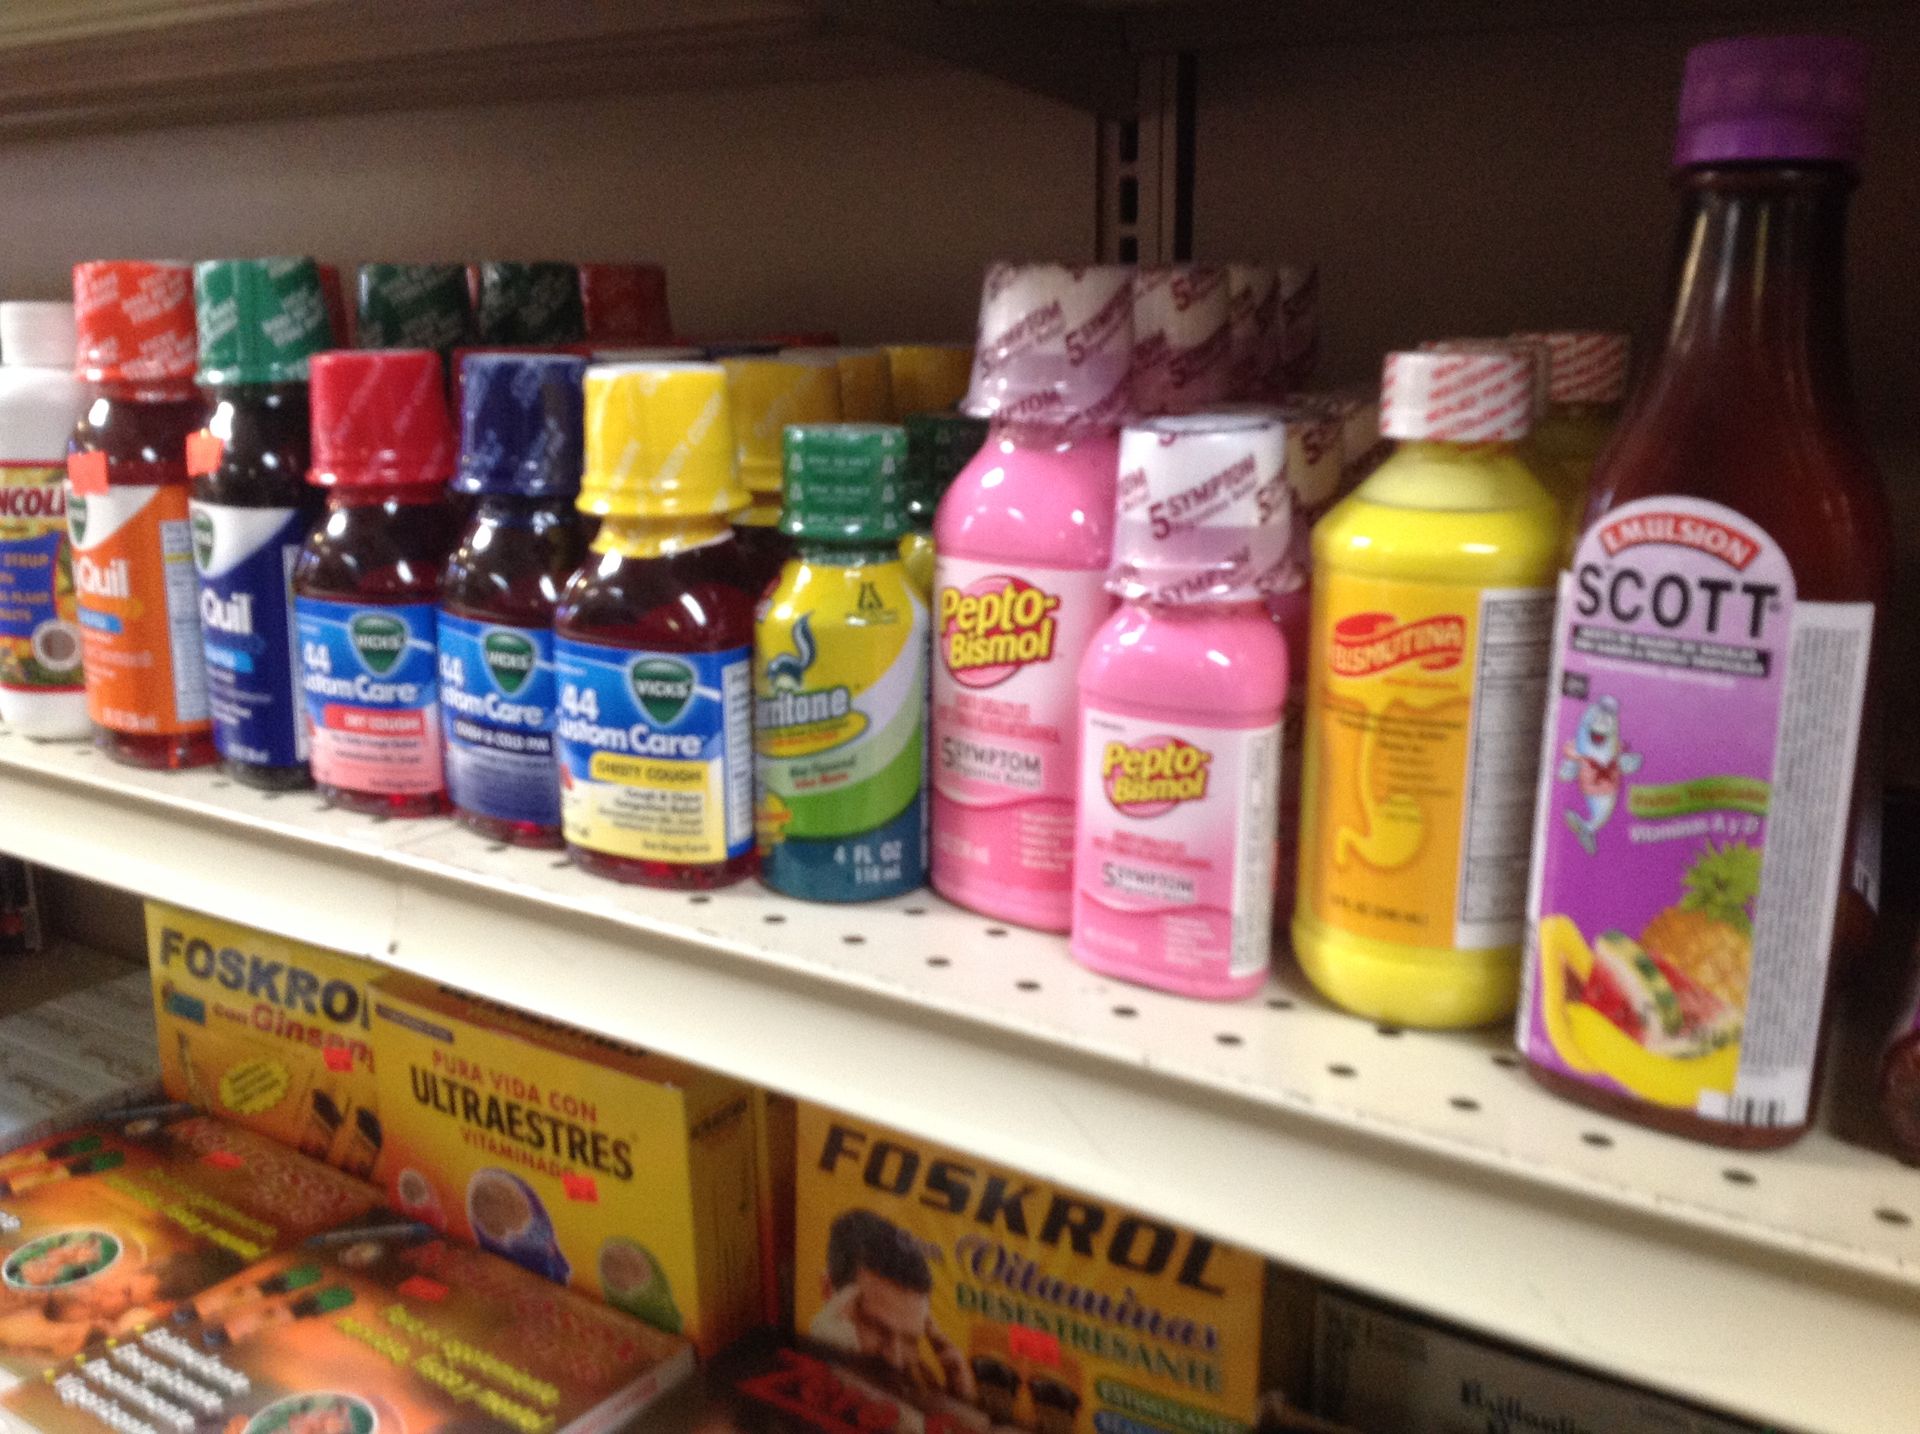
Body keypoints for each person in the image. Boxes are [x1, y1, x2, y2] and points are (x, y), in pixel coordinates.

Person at [810, 1208, 976, 1402]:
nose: (895, 1361)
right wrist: (823, 1357)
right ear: (828, 1291)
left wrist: (963, 1404)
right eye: (877, 1328)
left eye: (910, 1340)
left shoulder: (925, 1390)